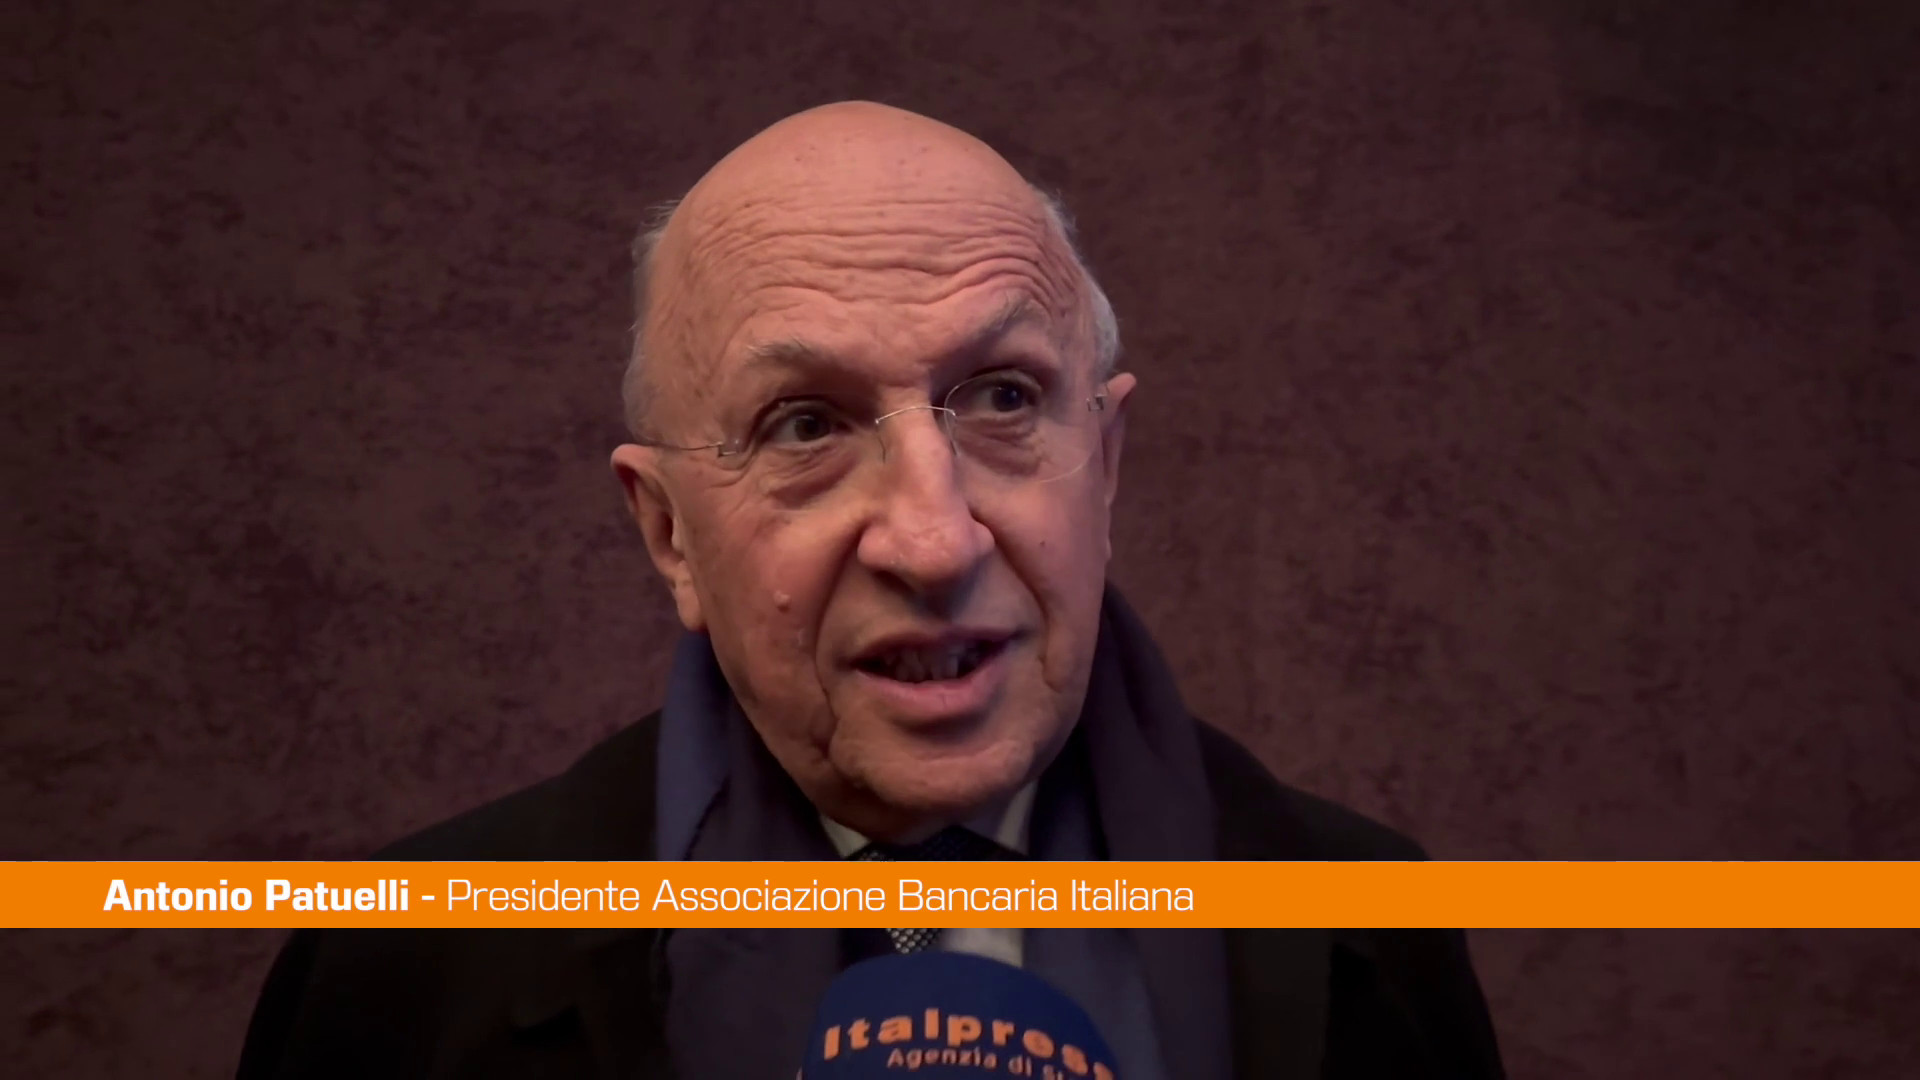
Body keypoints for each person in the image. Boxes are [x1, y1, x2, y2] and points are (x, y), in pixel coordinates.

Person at [236, 101, 1505, 1080]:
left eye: (1001, 398)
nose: (933, 540)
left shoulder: (1378, 942)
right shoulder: (394, 974)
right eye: (804, 425)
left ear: (1106, 467)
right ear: (670, 534)